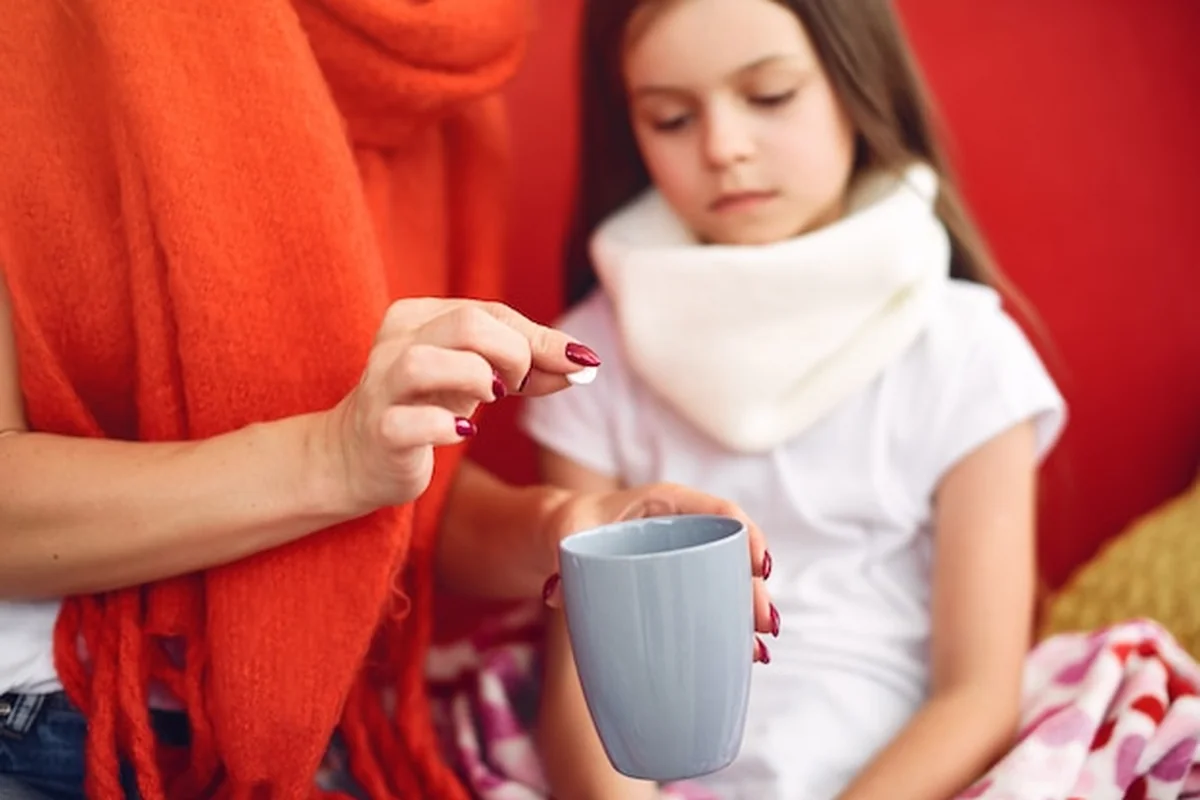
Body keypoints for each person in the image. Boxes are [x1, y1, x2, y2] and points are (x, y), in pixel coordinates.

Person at [0, 2, 775, 799]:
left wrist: (556, 529)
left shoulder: (451, 67)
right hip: (43, 716)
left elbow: (396, 490)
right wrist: (329, 459)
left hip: (301, 736)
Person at [523, 0, 1067, 798]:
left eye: (771, 97)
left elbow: (978, 691)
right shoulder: (585, 356)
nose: (724, 148)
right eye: (671, 118)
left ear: (858, 87)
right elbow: (580, 676)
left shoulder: (967, 354)